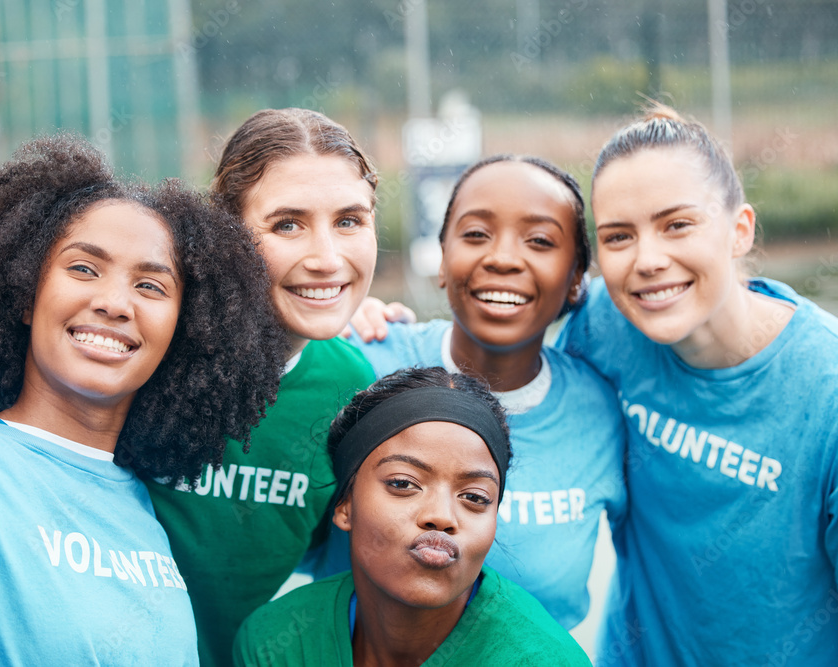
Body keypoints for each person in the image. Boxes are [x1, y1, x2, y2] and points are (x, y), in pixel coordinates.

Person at [0, 94, 289, 664]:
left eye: (150, 286)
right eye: (83, 268)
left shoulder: (146, 510)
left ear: (184, 330)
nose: (114, 303)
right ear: (27, 295)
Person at [558, 105, 838, 666]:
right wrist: (376, 322)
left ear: (740, 230)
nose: (648, 260)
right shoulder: (601, 328)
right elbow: (488, 347)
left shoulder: (825, 390)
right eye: (618, 237)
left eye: (677, 224)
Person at [321, 154, 626, 630]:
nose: (502, 257)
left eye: (540, 240)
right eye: (476, 234)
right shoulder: (360, 362)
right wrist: (332, 323)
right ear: (442, 260)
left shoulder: (603, 409)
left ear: (575, 281)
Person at [146, 107, 382, 666]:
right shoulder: (150, 349)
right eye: (287, 224)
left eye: (350, 220)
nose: (327, 259)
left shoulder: (351, 387)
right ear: (224, 235)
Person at [234, 366, 592, 666]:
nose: (441, 516)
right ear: (344, 505)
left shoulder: (544, 659)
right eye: (404, 483)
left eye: (474, 497)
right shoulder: (276, 644)